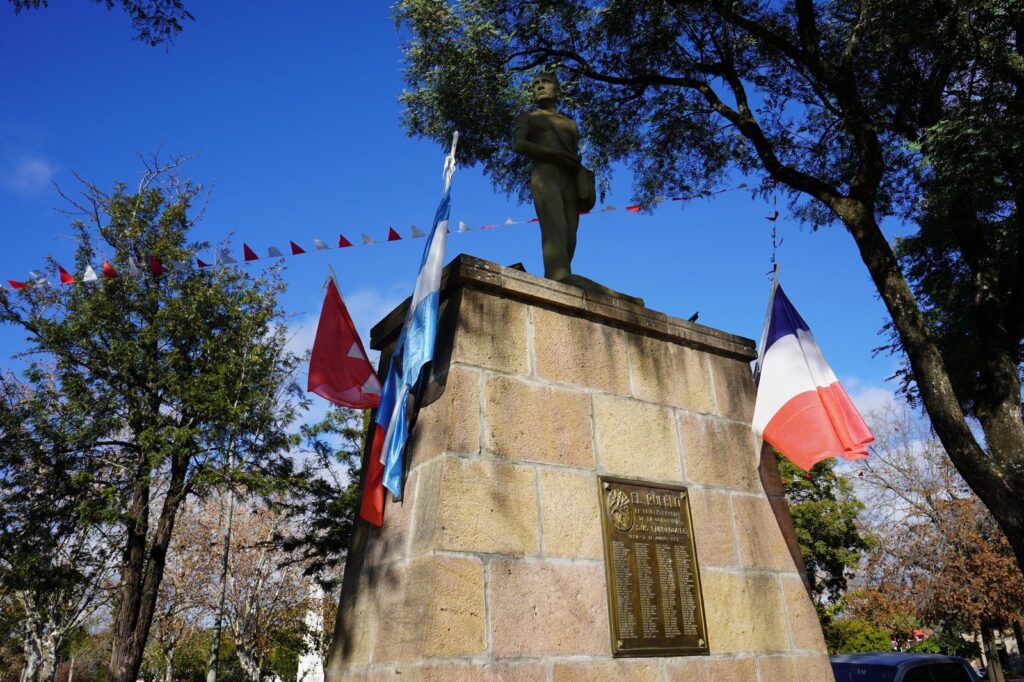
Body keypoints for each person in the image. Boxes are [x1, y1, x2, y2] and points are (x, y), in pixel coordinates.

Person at [514, 72, 643, 306]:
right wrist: (555, 155)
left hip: (569, 177)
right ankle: (558, 274)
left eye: (545, 82)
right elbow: (520, 144)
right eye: (535, 84)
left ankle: (566, 274)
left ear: (557, 90)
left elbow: (573, 153)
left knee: (570, 235)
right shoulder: (529, 117)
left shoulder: (570, 124)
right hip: (545, 174)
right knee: (555, 228)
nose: (540, 86)